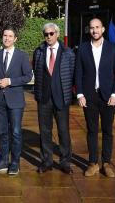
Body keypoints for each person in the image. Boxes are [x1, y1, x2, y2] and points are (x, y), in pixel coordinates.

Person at [75, 18, 115, 178]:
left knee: (108, 130)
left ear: (103, 29)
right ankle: (93, 163)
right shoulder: (82, 48)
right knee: (91, 130)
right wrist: (80, 94)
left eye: (97, 27)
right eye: (92, 28)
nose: (94, 30)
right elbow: (78, 73)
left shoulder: (112, 48)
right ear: (89, 30)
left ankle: (107, 163)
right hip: (89, 96)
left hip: (108, 96)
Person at [0, 28, 32, 175]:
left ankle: (15, 163)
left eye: (10, 36)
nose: (7, 38)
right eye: (5, 35)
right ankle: (3, 161)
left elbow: (28, 76)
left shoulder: (22, 56)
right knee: (2, 132)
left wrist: (10, 81)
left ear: (15, 39)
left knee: (16, 132)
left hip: (16, 101)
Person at [32, 23, 75, 174]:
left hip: (61, 98)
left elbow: (72, 74)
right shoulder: (38, 52)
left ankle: (65, 162)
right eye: (46, 34)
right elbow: (36, 71)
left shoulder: (68, 53)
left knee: (63, 131)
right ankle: (47, 161)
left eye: (51, 33)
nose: (48, 36)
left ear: (57, 34)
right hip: (43, 98)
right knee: (45, 131)